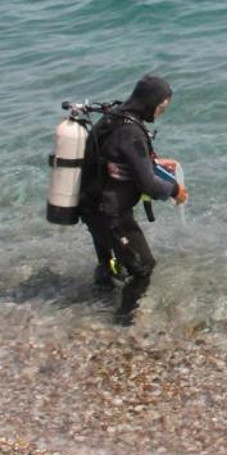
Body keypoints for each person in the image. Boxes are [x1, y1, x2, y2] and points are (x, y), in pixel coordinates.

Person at [79, 74, 187, 325]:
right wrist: (174, 190)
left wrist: (152, 163)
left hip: (90, 206)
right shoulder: (131, 131)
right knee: (143, 267)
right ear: (150, 102)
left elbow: (116, 157)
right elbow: (149, 185)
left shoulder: (114, 118)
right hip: (110, 214)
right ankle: (122, 322)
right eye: (160, 107)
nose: (160, 112)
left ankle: (99, 301)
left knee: (108, 262)